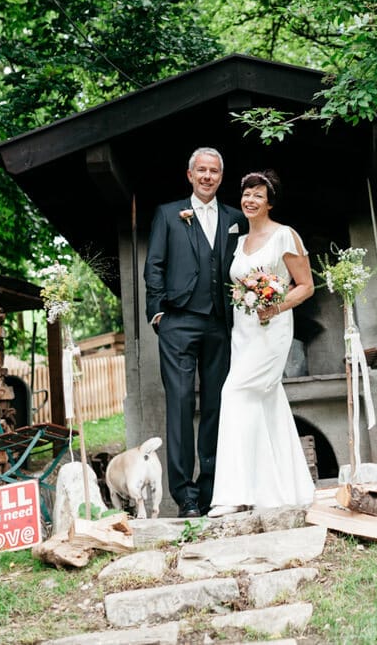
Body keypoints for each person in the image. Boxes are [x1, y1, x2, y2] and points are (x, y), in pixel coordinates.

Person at [143, 147, 248, 518]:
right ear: (190, 175)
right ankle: (185, 495)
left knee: (218, 406)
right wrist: (157, 314)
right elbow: (154, 264)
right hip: (178, 322)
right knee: (182, 403)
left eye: (214, 171)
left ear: (221, 177)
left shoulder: (237, 218)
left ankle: (212, 490)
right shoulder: (169, 214)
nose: (207, 176)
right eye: (201, 170)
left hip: (221, 324)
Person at [207, 170, 316, 517]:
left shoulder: (285, 236)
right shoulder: (238, 243)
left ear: (269, 201)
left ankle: (232, 493)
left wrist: (275, 306)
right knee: (267, 405)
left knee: (234, 394)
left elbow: (305, 286)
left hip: (272, 331)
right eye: (246, 194)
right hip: (243, 332)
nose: (250, 200)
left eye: (258, 194)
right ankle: (286, 488)